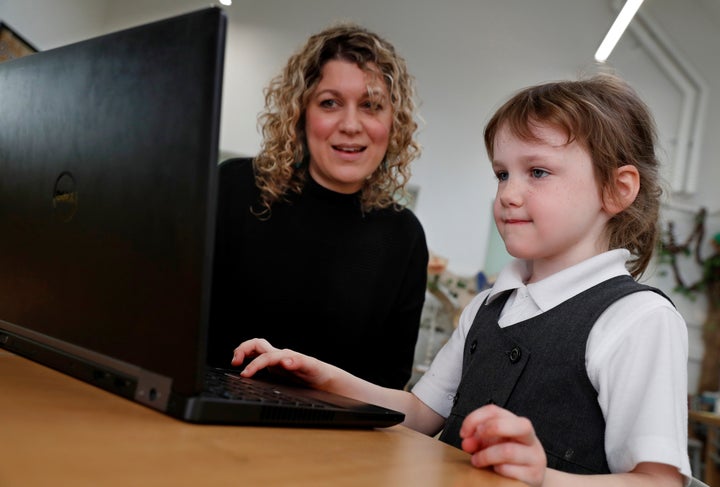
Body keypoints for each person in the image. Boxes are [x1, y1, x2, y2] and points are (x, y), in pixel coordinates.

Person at [232, 74, 692, 486]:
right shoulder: (488, 306)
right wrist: (324, 376)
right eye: (501, 174)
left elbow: (658, 481)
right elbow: (418, 415)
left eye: (537, 172)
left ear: (617, 189)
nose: (508, 194)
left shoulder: (637, 320)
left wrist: (544, 478)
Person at [207, 23, 428, 390]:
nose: (351, 125)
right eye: (330, 103)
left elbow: (388, 381)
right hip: (210, 413)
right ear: (300, 113)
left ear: (394, 122)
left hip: (332, 436)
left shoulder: (403, 236)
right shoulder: (236, 188)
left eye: (371, 106)